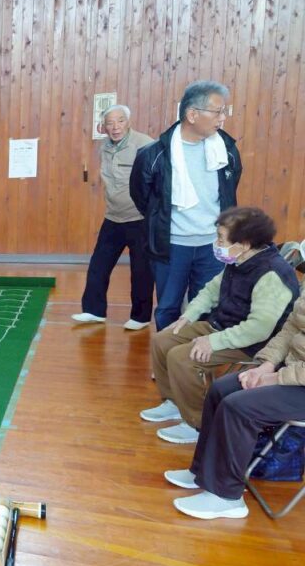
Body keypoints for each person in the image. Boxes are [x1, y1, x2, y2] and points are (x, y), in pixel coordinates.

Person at [140, 207, 298, 444]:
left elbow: (258, 329)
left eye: (221, 239)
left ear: (243, 243)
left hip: (253, 343)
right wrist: (189, 315)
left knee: (183, 358)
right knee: (163, 339)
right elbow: (212, 289)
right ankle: (175, 402)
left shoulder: (271, 274)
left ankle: (197, 424)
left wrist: (212, 341)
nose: (216, 243)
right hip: (223, 325)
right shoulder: (240, 259)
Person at [165, 288, 305, 520]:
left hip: (297, 380)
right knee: (222, 389)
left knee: (239, 408)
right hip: (292, 371)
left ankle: (226, 497)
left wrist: (275, 378)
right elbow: (291, 326)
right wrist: (266, 365)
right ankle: (203, 471)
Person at [130, 80, 243, 330]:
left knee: (206, 306)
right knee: (168, 307)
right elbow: (142, 198)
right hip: (171, 246)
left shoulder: (226, 149)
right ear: (192, 114)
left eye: (224, 111)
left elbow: (229, 188)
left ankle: (192, 363)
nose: (223, 118)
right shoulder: (154, 154)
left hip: (211, 245)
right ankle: (165, 362)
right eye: (217, 112)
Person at [72, 105, 155, 329]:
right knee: (99, 265)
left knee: (141, 271)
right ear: (104, 127)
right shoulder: (104, 147)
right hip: (113, 217)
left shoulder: (145, 144)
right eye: (110, 123)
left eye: (119, 121)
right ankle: (93, 311)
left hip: (139, 218)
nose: (115, 127)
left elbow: (156, 179)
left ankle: (141, 317)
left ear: (128, 122)